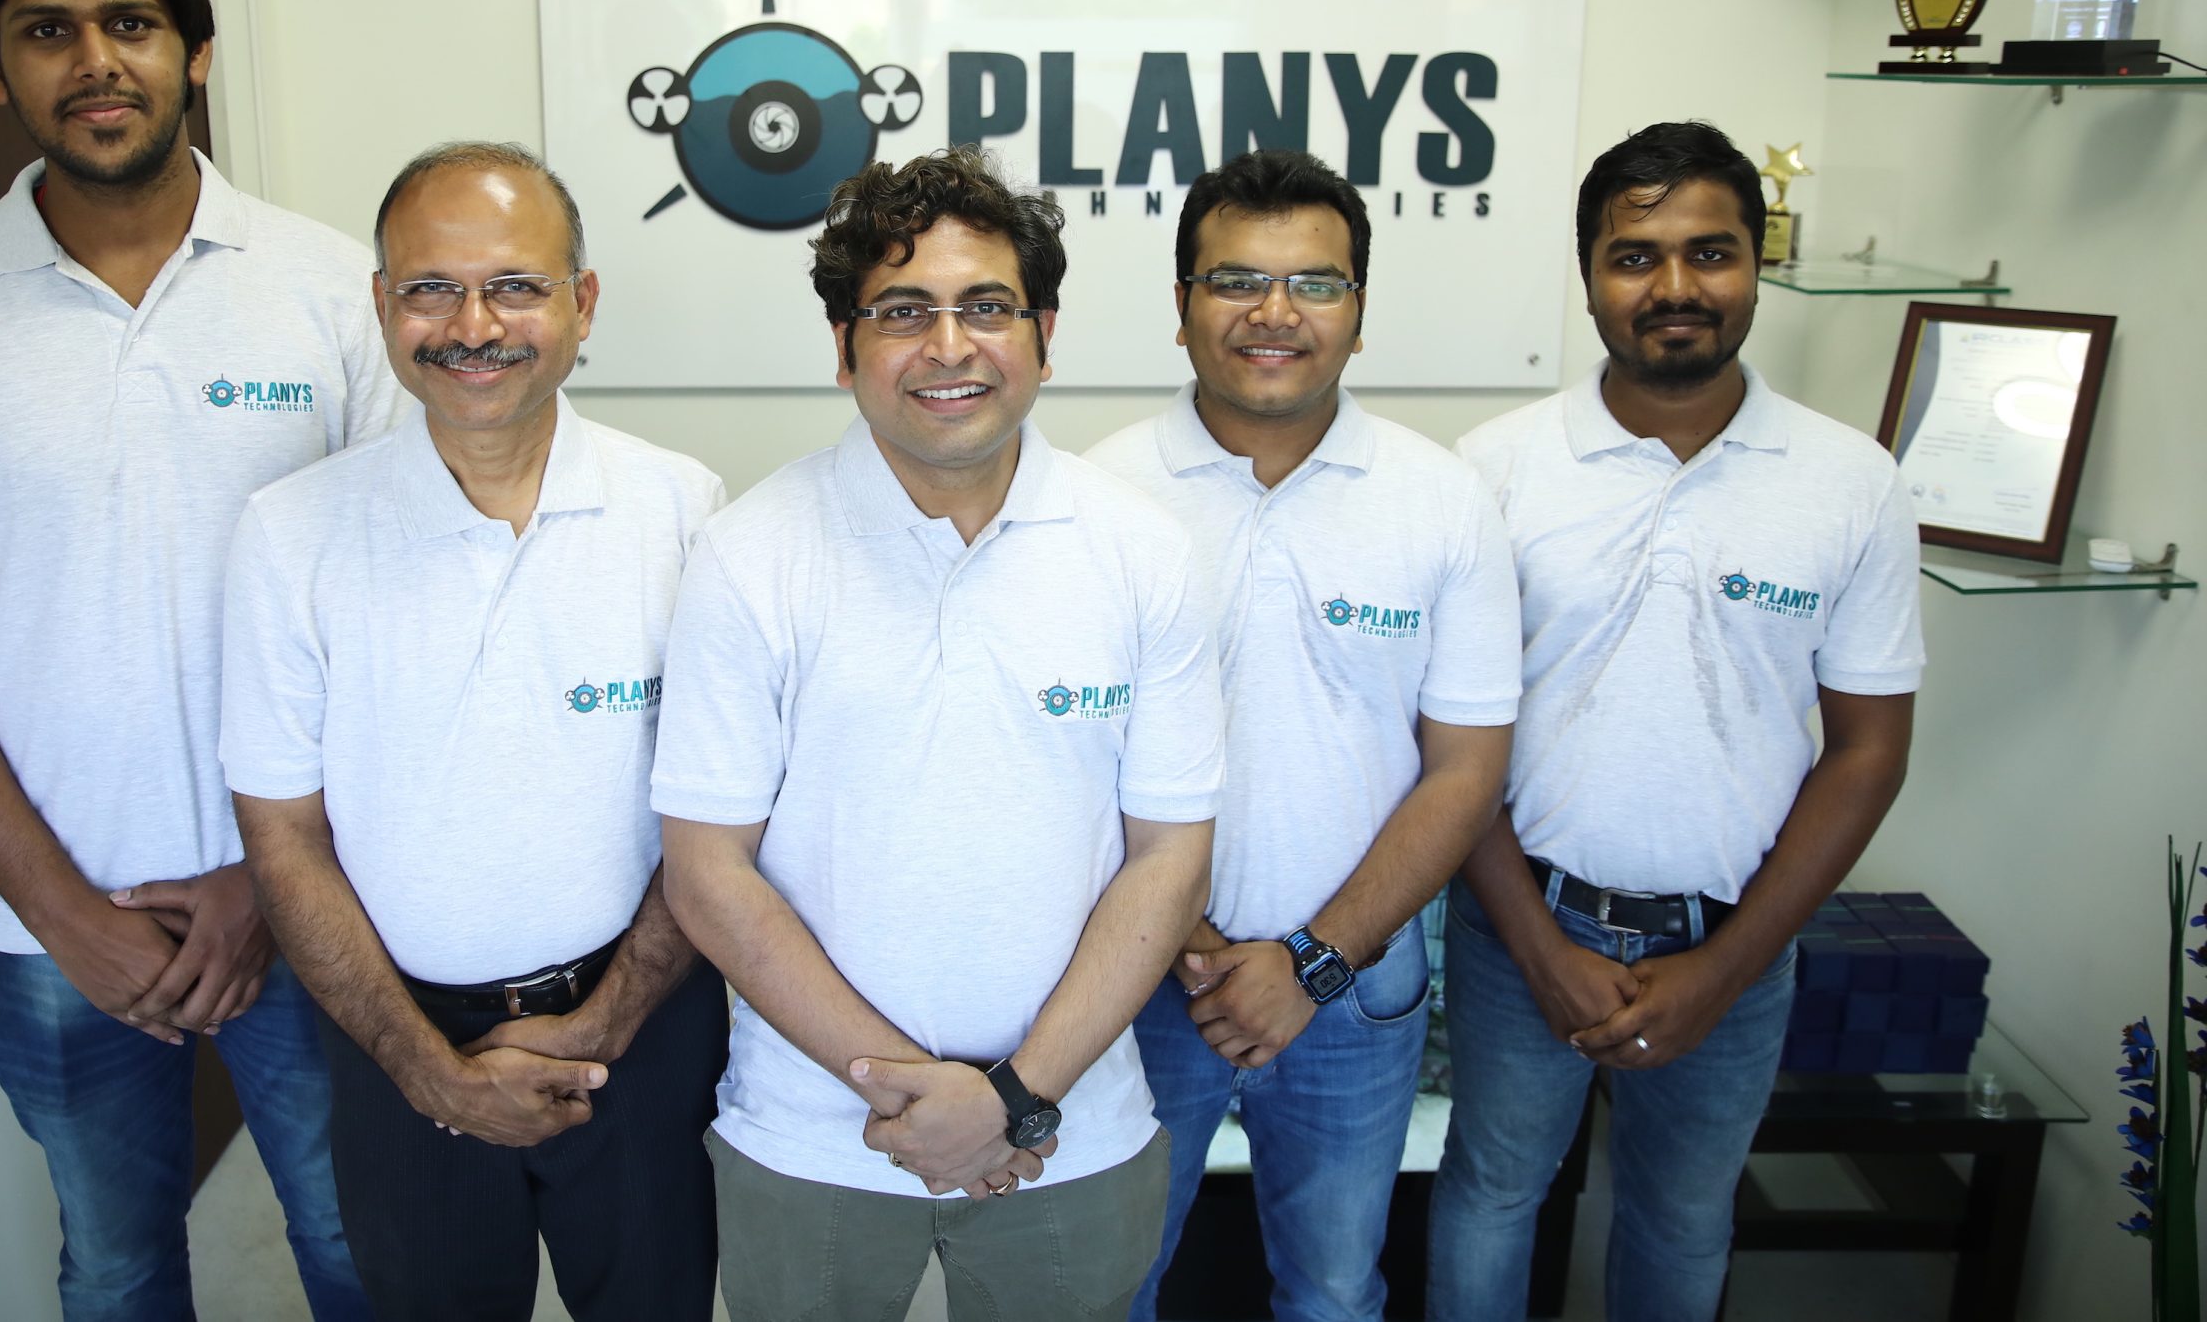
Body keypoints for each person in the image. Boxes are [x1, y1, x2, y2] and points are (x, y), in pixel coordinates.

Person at [0, 0, 397, 1322]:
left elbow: (395, 614)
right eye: (47, 30)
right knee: (117, 1263)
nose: (94, 61)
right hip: (49, 923)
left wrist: (267, 880)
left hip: (313, 896)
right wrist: (66, 912)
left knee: (361, 1251)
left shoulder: (330, 286)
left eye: (131, 23)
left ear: (194, 51)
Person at [655, 147, 1223, 1321]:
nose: (950, 345)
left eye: (988, 307)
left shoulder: (1143, 553)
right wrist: (910, 1090)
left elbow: (1169, 858)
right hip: (812, 1136)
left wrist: (1011, 1096)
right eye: (904, 311)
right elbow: (708, 872)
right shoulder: (749, 554)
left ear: (1044, 336)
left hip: (1070, 1132)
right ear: (844, 345)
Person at [1426, 120, 1923, 1322]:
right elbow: (1448, 748)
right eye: (1634, 256)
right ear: (1589, 275)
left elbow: (1867, 751)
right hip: (1518, 928)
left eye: (1710, 252)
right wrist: (1540, 953)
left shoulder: (1850, 481)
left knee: (1684, 1220)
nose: (1674, 287)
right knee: (1491, 1196)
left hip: (1737, 943)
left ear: (1756, 264)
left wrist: (1721, 970)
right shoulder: (1490, 471)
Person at [226, 141, 728, 1320]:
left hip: (646, 1024)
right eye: (429, 289)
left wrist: (604, 1023)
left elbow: (715, 819)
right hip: (395, 1036)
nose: (471, 326)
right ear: (381, 306)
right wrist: (426, 1070)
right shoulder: (288, 534)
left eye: (514, 285)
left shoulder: (681, 509)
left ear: (582, 301)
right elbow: (284, 837)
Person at [1088, 149, 1521, 1322]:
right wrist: (1188, 944)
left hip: (1356, 989)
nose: (1273, 312)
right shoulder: (1094, 497)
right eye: (1236, 280)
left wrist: (1313, 962)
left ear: (1358, 312)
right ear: (1181, 305)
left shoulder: (1441, 500)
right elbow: (1060, 763)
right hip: (1139, 981)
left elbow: (1466, 770)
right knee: (1111, 1288)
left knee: (1333, 1294)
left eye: (1314, 284)